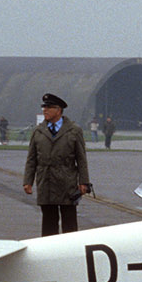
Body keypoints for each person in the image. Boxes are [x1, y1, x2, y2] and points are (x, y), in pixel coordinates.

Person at [23, 92, 91, 236]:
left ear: (58, 110)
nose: (45, 110)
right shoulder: (38, 131)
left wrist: (84, 181)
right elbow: (31, 159)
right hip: (46, 181)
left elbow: (81, 158)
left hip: (66, 182)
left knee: (69, 222)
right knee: (48, 221)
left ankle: (71, 251)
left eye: (49, 107)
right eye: (43, 107)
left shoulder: (73, 130)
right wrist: (28, 181)